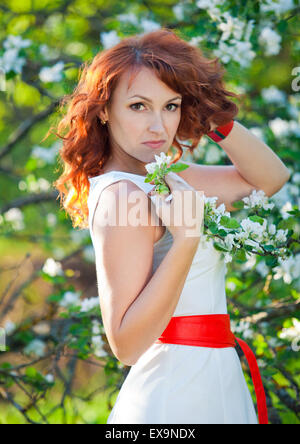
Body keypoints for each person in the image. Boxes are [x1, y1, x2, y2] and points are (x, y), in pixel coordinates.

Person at [50, 28, 290, 424]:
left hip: (218, 379)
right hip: (173, 393)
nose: (158, 127)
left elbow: (270, 178)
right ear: (105, 110)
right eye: (139, 106)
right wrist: (186, 241)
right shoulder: (122, 196)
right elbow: (125, 345)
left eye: (171, 106)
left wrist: (214, 117)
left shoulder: (170, 179)